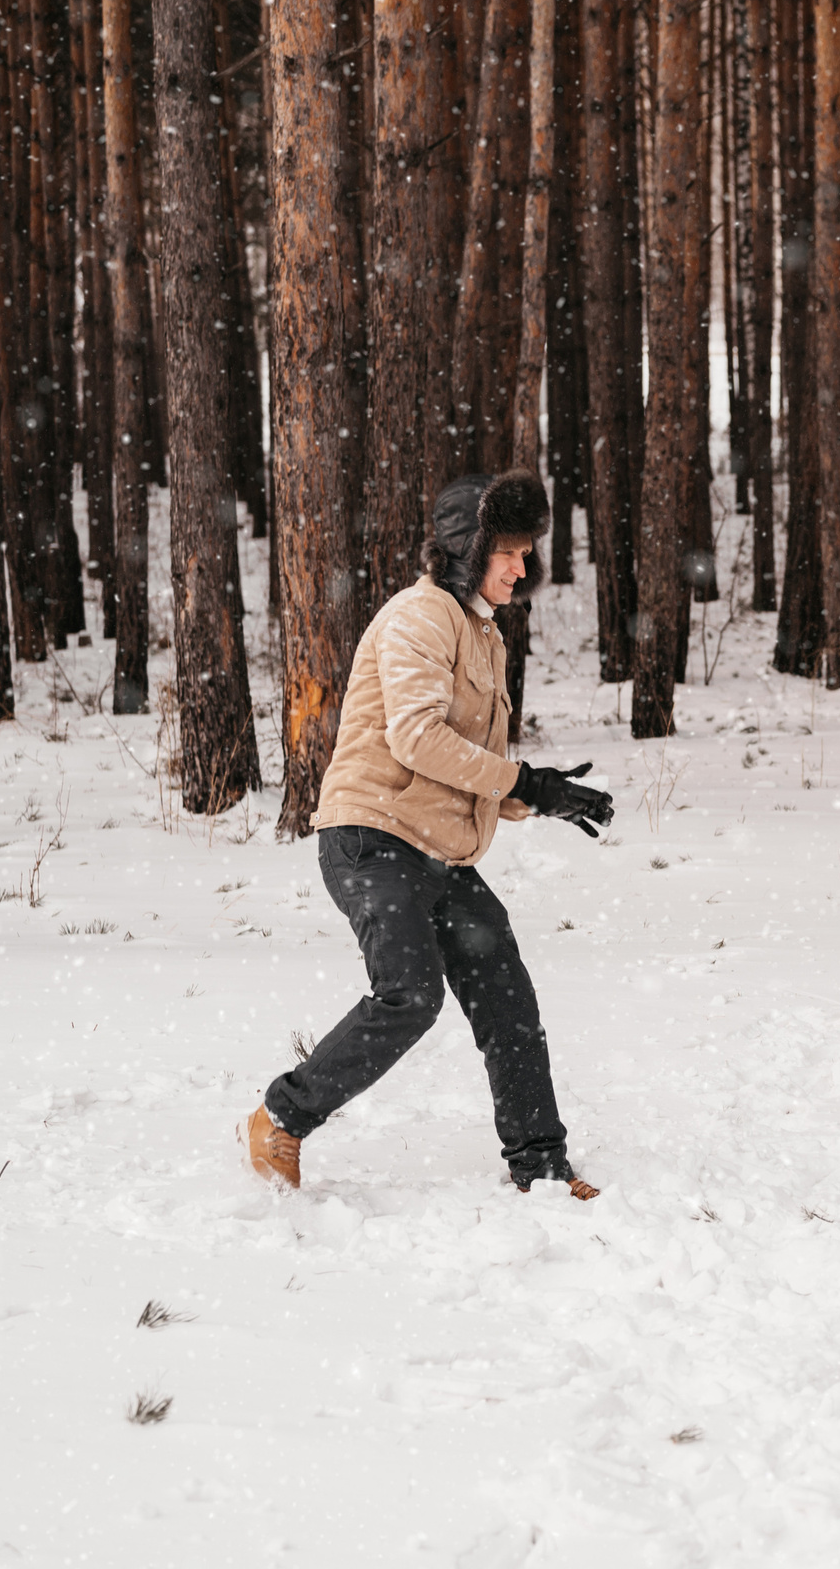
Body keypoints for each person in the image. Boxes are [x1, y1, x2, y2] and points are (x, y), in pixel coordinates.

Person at [241, 473, 616, 1196]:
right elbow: (416, 738)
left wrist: (542, 797)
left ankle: (539, 1164)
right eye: (508, 552)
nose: (521, 567)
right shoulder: (421, 617)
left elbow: (465, 764)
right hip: (371, 835)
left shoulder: (483, 635)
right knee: (410, 993)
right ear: (467, 550)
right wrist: (520, 781)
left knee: (507, 997)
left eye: (526, 553)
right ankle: (279, 1119)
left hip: (436, 851)